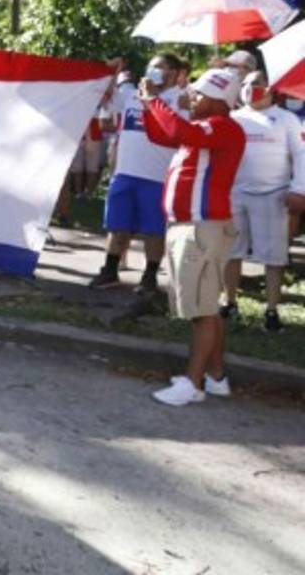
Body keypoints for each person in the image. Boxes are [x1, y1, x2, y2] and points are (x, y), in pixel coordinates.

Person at [142, 69, 245, 406]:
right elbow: (162, 134)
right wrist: (149, 107)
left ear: (218, 100)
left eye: (200, 94)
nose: (193, 98)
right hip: (195, 227)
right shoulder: (204, 128)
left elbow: (176, 128)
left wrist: (154, 100)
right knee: (206, 308)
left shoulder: (223, 127)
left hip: (203, 227)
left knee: (201, 312)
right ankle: (216, 377)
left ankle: (193, 382)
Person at [90, 54, 187, 301]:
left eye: (161, 67)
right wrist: (113, 73)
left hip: (158, 177)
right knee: (116, 225)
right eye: (152, 66)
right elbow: (104, 98)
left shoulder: (181, 100)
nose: (154, 70)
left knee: (154, 230)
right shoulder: (131, 94)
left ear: (175, 73)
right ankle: (110, 270)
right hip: (125, 172)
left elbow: (179, 130)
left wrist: (154, 99)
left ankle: (150, 276)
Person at [223, 72, 305, 332]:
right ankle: (230, 302)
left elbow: (302, 155)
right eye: (245, 84)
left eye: (255, 84)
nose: (249, 89)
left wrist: (299, 190)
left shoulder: (287, 119)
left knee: (274, 257)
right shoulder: (233, 118)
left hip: (274, 196)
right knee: (232, 251)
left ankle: (271, 311)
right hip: (235, 194)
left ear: (270, 88)